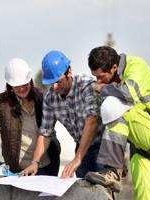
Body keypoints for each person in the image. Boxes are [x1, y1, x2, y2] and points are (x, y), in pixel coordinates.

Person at [85, 46, 150, 200]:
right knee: (145, 193)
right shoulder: (114, 78)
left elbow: (127, 94)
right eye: (95, 77)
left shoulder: (136, 66)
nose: (98, 81)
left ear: (114, 67)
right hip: (139, 144)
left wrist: (103, 88)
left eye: (101, 77)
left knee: (114, 106)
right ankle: (117, 166)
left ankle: (114, 170)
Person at [22, 50, 104, 178]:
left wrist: (77, 159)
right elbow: (45, 133)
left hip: (103, 147)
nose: (54, 87)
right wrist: (35, 162)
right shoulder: (50, 98)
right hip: (81, 148)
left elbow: (92, 121)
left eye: (58, 81)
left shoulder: (87, 86)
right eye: (51, 83)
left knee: (103, 193)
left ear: (69, 72)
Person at [0, 58, 60, 176]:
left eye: (24, 85)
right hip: (20, 168)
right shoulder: (2, 103)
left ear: (30, 80)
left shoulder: (43, 98)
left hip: (48, 163)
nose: (21, 89)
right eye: (16, 86)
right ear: (9, 85)